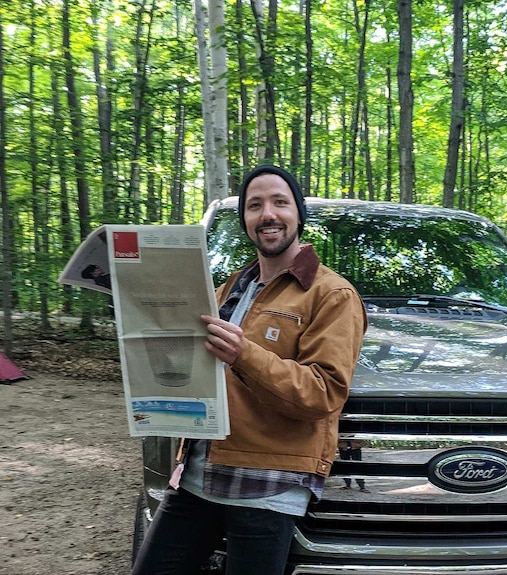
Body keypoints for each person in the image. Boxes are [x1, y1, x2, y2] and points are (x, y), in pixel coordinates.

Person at [132, 165, 367, 575]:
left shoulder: (332, 294)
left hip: (268, 487)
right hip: (199, 473)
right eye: (254, 205)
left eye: (280, 202)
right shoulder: (230, 288)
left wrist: (245, 354)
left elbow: (324, 393)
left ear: (298, 214)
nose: (267, 214)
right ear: (245, 220)